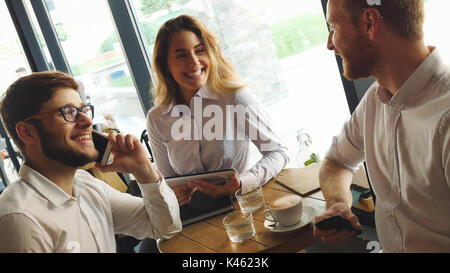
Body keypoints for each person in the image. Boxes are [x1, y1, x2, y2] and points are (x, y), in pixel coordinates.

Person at [314, 0, 450, 252]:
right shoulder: (375, 100)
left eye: (334, 26)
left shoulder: (446, 118)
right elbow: (336, 162)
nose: (330, 44)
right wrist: (338, 204)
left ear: (370, 23)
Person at [0, 72, 182, 253]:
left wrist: (143, 170)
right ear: (28, 132)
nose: (87, 121)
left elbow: (165, 227)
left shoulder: (86, 184)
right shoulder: (19, 220)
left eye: (83, 110)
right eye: (69, 112)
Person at [147, 15, 289, 205]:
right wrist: (172, 192)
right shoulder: (156, 118)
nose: (194, 62)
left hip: (241, 204)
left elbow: (278, 152)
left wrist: (242, 184)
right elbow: (167, 180)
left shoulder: (234, 96)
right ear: (165, 65)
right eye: (181, 55)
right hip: (193, 215)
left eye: (199, 50)